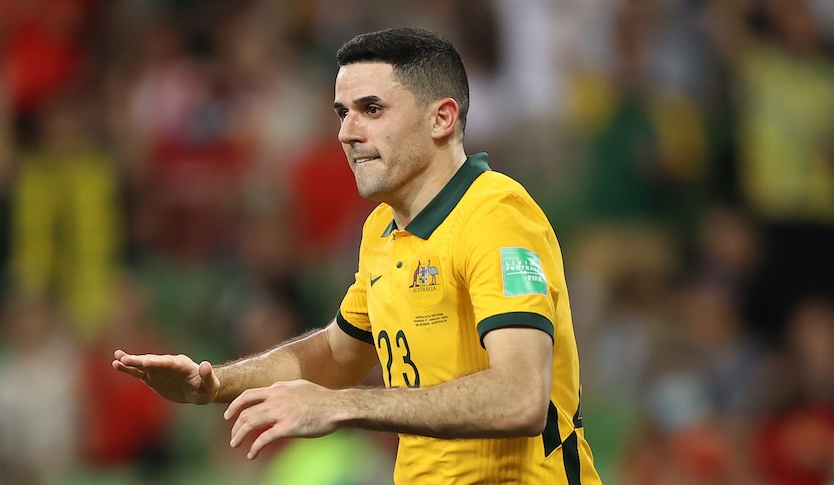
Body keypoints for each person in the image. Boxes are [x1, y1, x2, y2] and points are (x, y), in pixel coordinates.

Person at [113, 26, 601, 484]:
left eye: (371, 108)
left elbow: (520, 398)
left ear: (442, 118)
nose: (348, 132)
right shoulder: (382, 230)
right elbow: (336, 352)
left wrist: (339, 406)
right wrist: (214, 382)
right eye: (341, 113)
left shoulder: (496, 217)